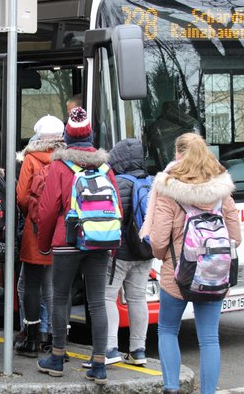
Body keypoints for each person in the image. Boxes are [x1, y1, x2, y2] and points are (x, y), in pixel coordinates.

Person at [149, 132, 241, 394]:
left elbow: (157, 240)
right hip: (214, 274)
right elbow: (235, 237)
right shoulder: (222, 191)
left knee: (167, 329)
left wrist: (164, 256)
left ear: (177, 155)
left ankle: (171, 388)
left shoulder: (169, 190)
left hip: (177, 274)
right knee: (209, 338)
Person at [36, 107, 121, 385]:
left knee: (60, 298)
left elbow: (48, 209)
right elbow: (117, 207)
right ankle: (99, 364)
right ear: (91, 135)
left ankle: (57, 357)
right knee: (97, 301)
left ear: (67, 138)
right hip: (99, 240)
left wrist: (44, 243)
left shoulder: (60, 167)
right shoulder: (105, 167)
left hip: (67, 241)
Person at [83, 138, 153, 368]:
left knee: (107, 297)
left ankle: (110, 347)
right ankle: (138, 350)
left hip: (119, 253)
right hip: (144, 251)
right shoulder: (151, 183)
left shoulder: (116, 182)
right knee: (138, 298)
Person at [14, 115, 65, 358]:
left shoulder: (31, 159)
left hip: (36, 234)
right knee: (55, 289)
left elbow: (22, 196)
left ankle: (32, 339)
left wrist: (33, 218)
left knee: (31, 286)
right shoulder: (66, 160)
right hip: (62, 233)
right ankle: (56, 342)